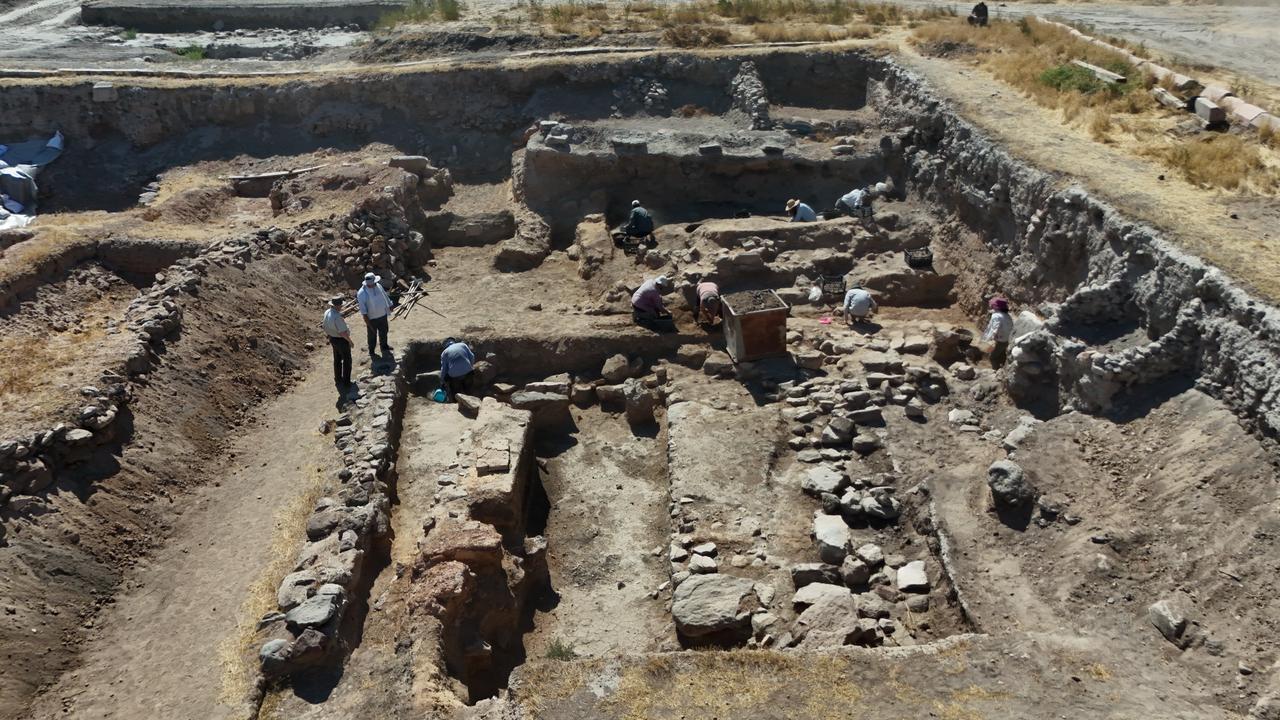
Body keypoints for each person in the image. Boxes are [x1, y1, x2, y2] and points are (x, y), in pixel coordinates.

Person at [357, 272, 394, 360]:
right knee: (372, 336)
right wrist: (368, 323)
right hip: (372, 319)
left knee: (384, 332)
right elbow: (363, 311)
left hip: (383, 315)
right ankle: (372, 351)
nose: (373, 284)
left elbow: (385, 295)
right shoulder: (362, 293)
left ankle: (384, 347)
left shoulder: (378, 286)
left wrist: (390, 304)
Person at [322, 296, 352, 388]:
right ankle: (346, 382)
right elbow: (342, 332)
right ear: (338, 306)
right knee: (347, 361)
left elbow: (324, 325)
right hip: (341, 340)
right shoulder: (337, 317)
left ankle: (338, 378)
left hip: (332, 338)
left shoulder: (327, 312)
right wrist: (350, 341)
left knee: (337, 360)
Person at [983, 296, 1013, 368]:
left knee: (994, 354)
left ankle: (995, 367)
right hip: (1007, 337)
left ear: (996, 307)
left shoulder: (996, 316)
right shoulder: (1007, 315)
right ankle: (1002, 359)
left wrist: (990, 337)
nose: (991, 306)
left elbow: (995, 327)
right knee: (1002, 349)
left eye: (993, 305)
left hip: (1001, 338)